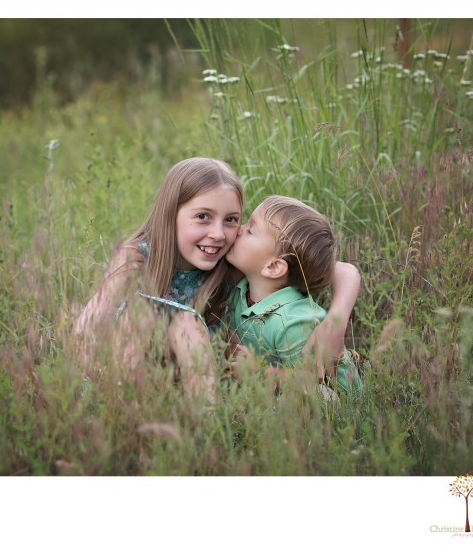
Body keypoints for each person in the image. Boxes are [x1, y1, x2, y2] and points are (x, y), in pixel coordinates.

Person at [73, 157, 360, 395]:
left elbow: (341, 269)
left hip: (195, 387)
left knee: (186, 326)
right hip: (132, 378)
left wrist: (335, 323)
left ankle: (204, 430)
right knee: (142, 318)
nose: (219, 234)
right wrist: (92, 375)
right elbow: (89, 327)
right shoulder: (136, 260)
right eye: (203, 217)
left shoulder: (227, 261)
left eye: (231, 220)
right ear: (170, 214)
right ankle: (125, 413)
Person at [224, 195, 363, 394]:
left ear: (273, 267)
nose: (238, 229)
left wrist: (260, 372)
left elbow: (314, 378)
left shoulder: (292, 322)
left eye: (250, 230)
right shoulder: (243, 288)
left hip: (338, 403)